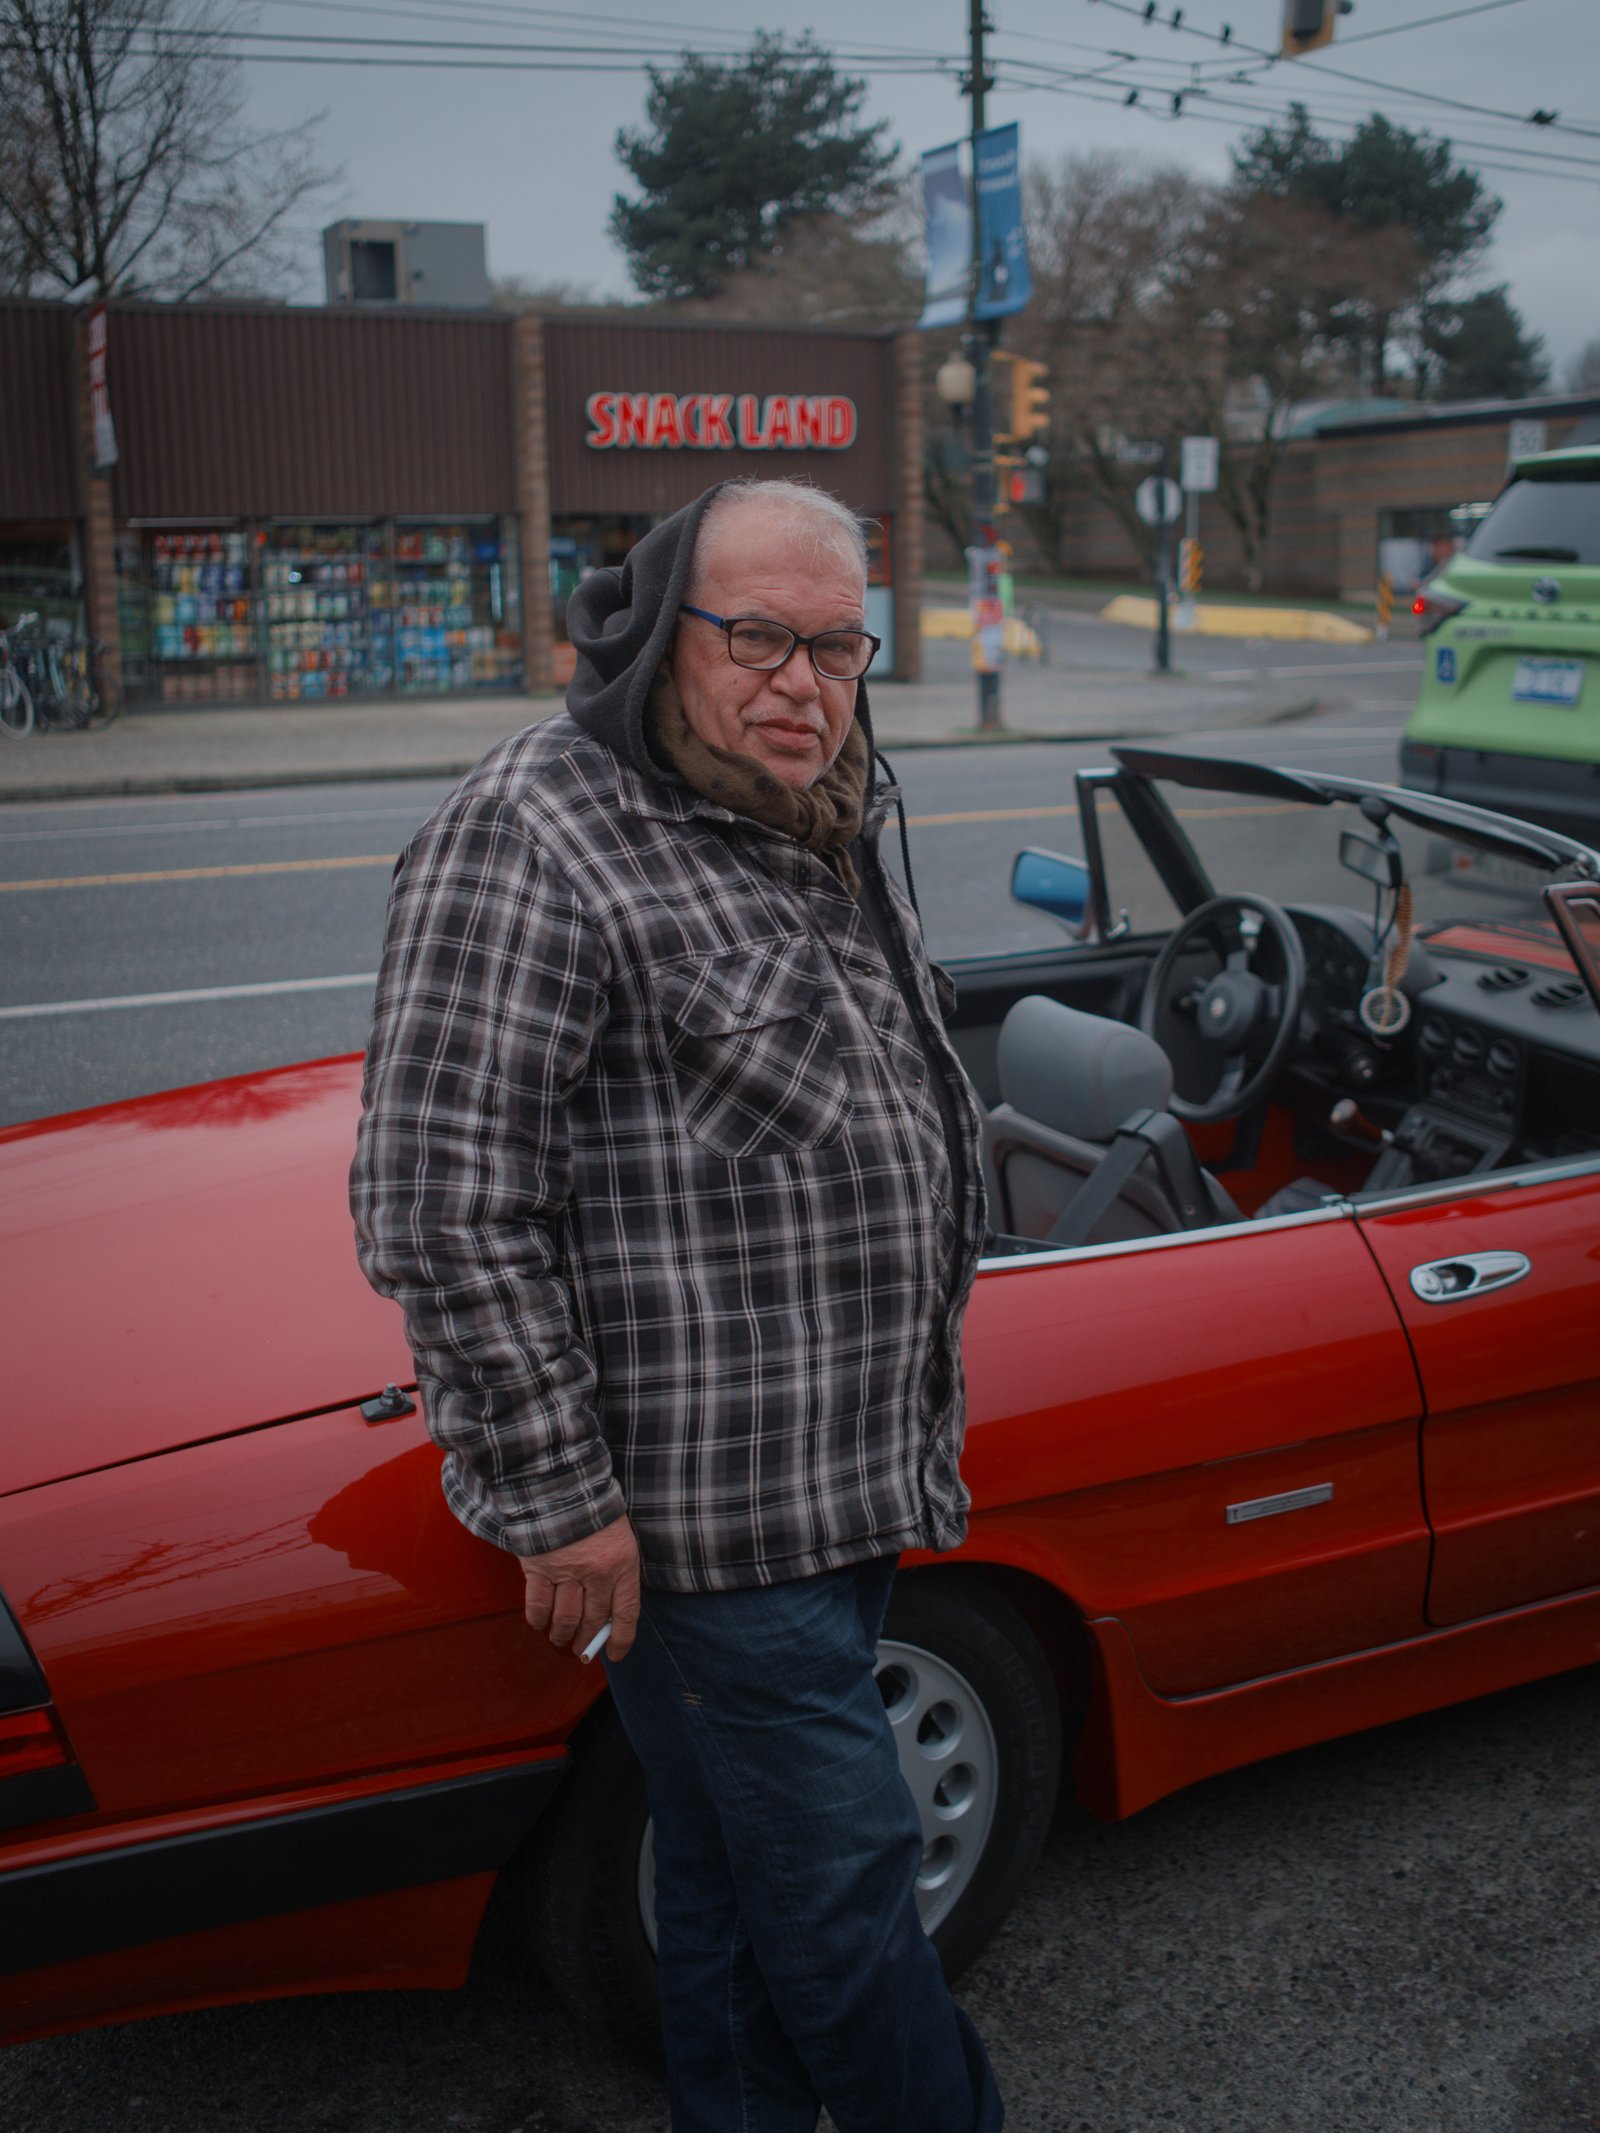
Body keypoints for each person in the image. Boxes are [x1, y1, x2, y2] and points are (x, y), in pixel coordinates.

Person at [350, 477, 1001, 2133]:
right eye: (760, 637)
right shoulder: (538, 830)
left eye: (838, 645)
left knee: (720, 1870)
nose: (803, 681)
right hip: (709, 1526)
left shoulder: (816, 799)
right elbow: (442, 1200)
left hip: (848, 1480)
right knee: (850, 1890)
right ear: (653, 632)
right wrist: (558, 1501)